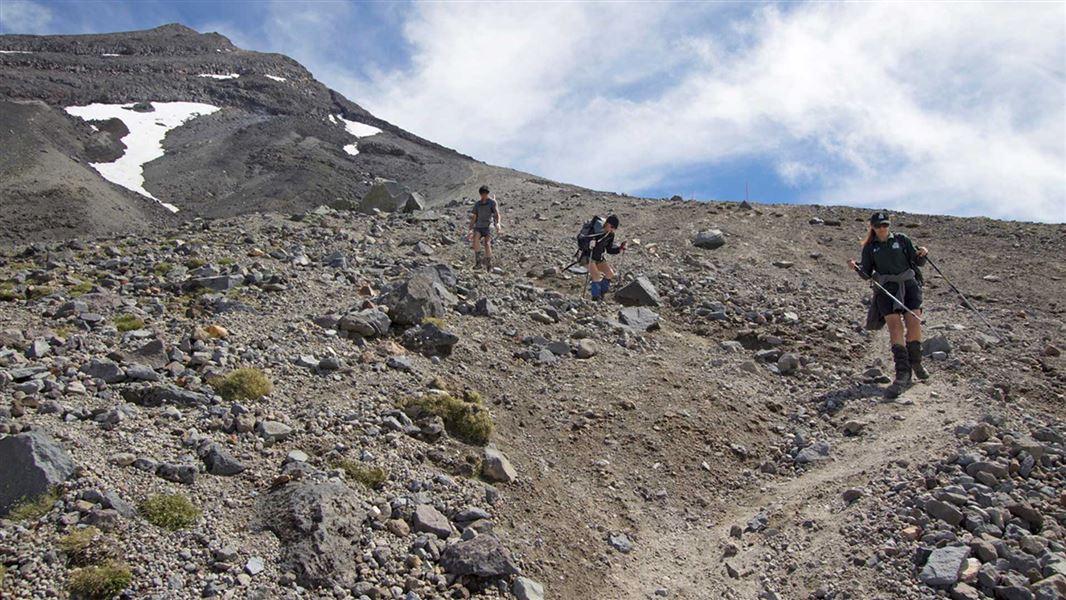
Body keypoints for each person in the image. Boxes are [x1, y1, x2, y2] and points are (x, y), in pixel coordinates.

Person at [848, 210, 930, 398]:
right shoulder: (870, 248)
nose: (882, 229)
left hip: (908, 284)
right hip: (886, 288)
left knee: (914, 322)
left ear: (889, 225)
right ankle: (903, 373)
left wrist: (923, 253)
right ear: (872, 227)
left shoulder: (902, 239)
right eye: (878, 226)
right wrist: (856, 268)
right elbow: (867, 273)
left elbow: (917, 261)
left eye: (885, 225)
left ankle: (916, 361)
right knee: (895, 327)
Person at [577, 214, 626, 301]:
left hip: (599, 257)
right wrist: (589, 245)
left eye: (614, 228)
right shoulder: (595, 231)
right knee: (596, 275)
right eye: (611, 227)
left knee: (610, 273)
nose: (612, 230)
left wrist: (620, 249)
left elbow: (609, 249)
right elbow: (581, 242)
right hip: (587, 256)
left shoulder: (610, 235)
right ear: (607, 223)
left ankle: (602, 294)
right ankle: (595, 298)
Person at [468, 185, 501, 270]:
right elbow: (474, 217)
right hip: (479, 225)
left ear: (488, 193)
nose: (484, 196)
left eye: (486, 194)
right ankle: (478, 263)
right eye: (482, 194)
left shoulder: (492, 202)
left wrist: (498, 224)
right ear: (480, 194)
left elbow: (496, 214)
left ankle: (488, 263)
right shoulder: (477, 204)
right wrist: (470, 229)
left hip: (488, 226)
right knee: (475, 239)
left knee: (487, 243)